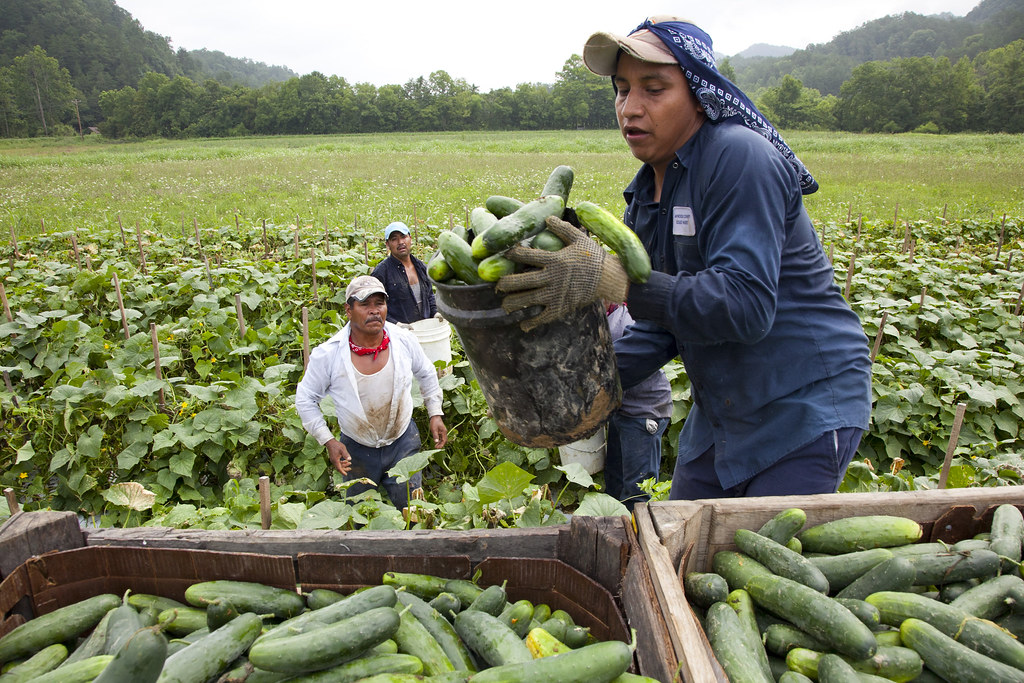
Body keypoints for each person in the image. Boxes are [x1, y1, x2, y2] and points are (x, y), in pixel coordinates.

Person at [497, 16, 872, 500]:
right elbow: (662, 325)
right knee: (679, 546)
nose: (630, 108)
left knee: (757, 557)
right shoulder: (648, 195)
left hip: (802, 403)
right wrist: (573, 390)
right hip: (723, 411)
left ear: (698, 93)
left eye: (653, 89)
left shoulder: (741, 159)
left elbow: (745, 307)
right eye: (621, 89)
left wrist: (612, 280)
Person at [295, 275, 448, 509]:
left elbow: (427, 372)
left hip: (402, 440)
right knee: (359, 513)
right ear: (348, 310)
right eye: (365, 304)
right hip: (355, 449)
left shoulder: (403, 340)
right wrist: (328, 440)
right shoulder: (328, 354)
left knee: (412, 510)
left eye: (379, 303)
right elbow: (305, 399)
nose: (374, 311)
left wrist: (435, 413)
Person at [604, 301, 672, 510]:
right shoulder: (605, 316)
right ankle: (615, 532)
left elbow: (627, 366)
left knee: (637, 491)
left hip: (644, 411)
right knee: (614, 483)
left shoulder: (628, 318)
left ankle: (639, 538)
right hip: (622, 409)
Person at [371, 221, 437, 324]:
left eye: (403, 237)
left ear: (410, 239)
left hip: (425, 330)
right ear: (388, 244)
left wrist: (435, 313)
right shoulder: (381, 272)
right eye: (394, 239)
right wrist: (396, 324)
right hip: (397, 334)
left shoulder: (421, 267)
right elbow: (374, 306)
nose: (400, 242)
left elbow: (429, 296)